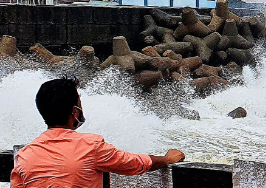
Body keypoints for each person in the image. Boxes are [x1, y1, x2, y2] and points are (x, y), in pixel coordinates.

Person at [11, 78, 185, 188]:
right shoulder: (90, 146)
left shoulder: (25, 155)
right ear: (75, 111)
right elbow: (133, 163)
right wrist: (167, 159)